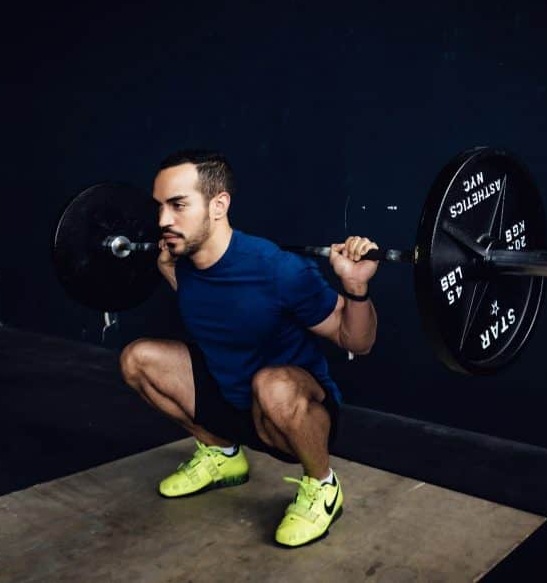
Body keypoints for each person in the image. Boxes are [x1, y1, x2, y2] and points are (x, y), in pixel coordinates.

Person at [119, 149, 379, 547]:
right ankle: (222, 454)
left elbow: (356, 342)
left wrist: (356, 289)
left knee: (271, 383)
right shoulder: (180, 263)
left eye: (178, 205)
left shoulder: (279, 270)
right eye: (160, 207)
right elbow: (212, 309)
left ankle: (323, 485)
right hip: (229, 399)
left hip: (288, 414)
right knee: (136, 359)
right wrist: (169, 271)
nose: (163, 221)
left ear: (218, 204)